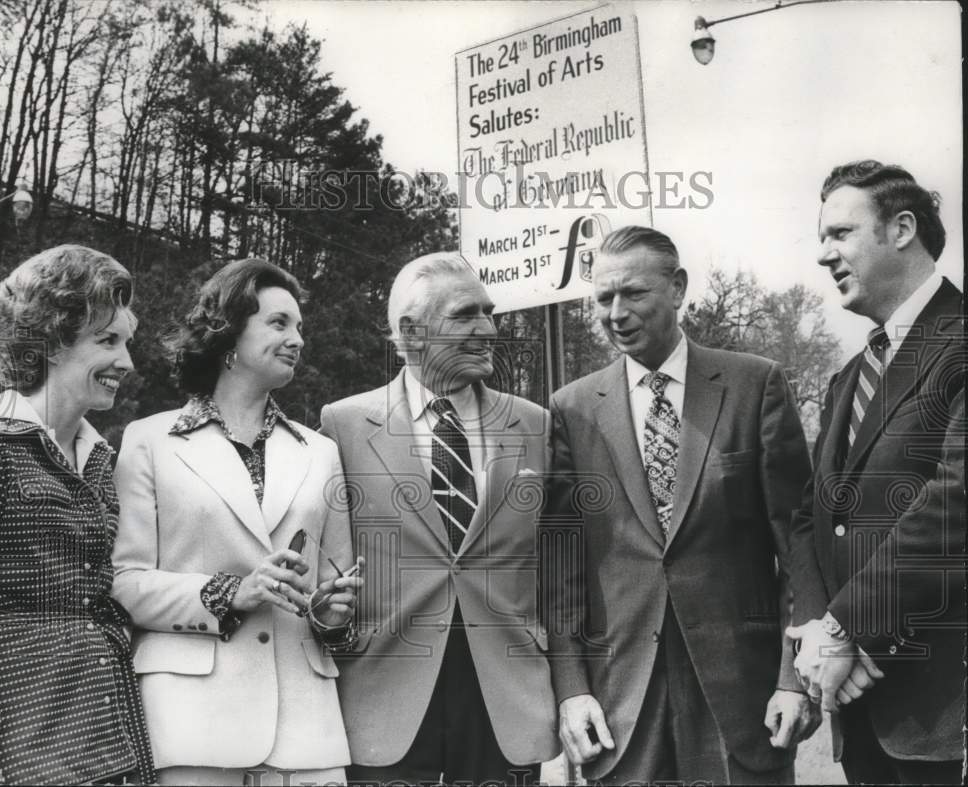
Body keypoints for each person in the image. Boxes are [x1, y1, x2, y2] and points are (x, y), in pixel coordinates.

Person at [541, 226, 820, 785]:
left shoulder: (753, 385)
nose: (615, 312)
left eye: (635, 294)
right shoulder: (571, 410)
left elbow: (798, 544)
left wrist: (794, 679)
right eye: (602, 298)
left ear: (677, 288)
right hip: (621, 710)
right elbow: (561, 570)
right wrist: (571, 690)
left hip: (741, 704)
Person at [111, 258, 361, 786]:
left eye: (300, 327)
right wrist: (231, 593)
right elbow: (124, 582)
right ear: (229, 331)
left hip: (306, 726)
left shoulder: (321, 453)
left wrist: (332, 610)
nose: (297, 339)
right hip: (191, 720)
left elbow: (332, 592)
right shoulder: (148, 441)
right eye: (279, 323)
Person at [320, 253, 558, 785]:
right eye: (465, 314)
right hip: (385, 698)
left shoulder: (535, 425)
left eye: (489, 312)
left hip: (506, 700)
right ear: (412, 331)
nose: (487, 329)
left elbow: (559, 571)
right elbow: (329, 567)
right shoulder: (342, 426)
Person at [786, 161, 965, 784]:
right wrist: (819, 632)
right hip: (858, 705)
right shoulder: (847, 378)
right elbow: (812, 516)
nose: (822, 255)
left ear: (902, 229)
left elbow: (954, 504)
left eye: (839, 233)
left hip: (944, 715)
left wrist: (844, 626)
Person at [0, 245, 155, 785]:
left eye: (127, 342)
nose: (127, 361)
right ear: (49, 342)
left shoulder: (101, 461)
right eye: (108, 341)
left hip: (112, 747)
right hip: (25, 759)